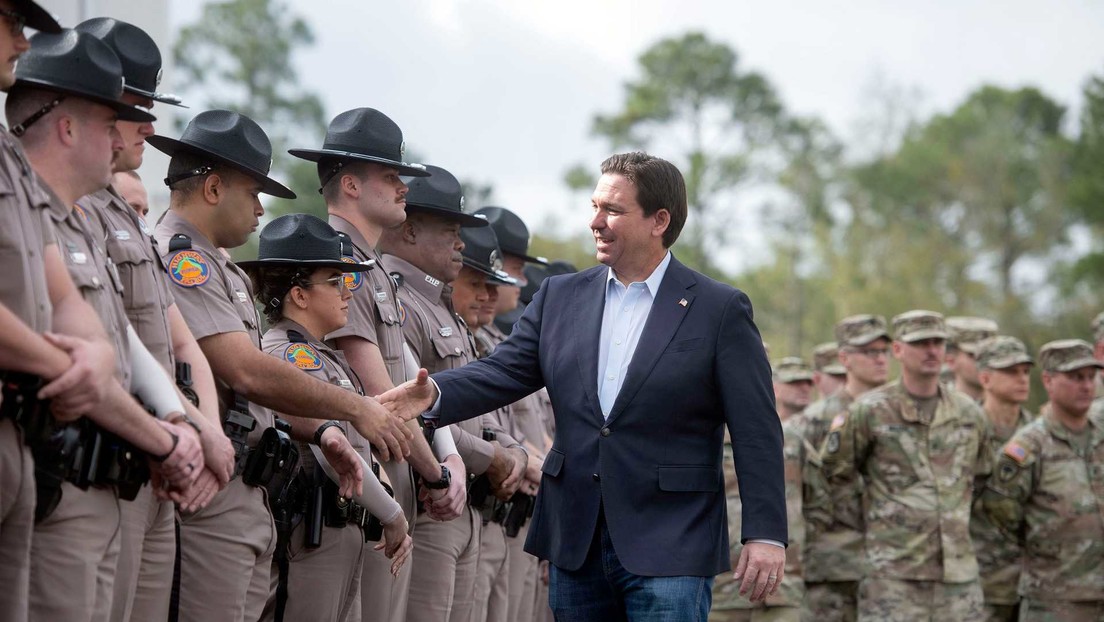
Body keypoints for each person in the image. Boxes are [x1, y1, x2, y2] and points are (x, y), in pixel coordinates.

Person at [381, 151, 786, 621]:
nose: (595, 221)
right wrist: (434, 394)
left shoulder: (718, 309)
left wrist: (765, 534)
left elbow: (756, 430)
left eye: (612, 210)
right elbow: (503, 371)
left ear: (659, 221)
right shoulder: (561, 296)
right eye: (595, 207)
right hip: (577, 537)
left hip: (672, 540)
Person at [149, 109, 410, 621]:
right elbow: (245, 371)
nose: (259, 210)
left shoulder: (219, 267)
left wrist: (324, 430)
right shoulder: (183, 260)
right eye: (253, 193)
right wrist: (354, 408)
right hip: (212, 482)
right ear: (214, 188)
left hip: (251, 484)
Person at [8, 28, 208, 621]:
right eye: (114, 117)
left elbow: (105, 330)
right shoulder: (40, 191)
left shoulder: (59, 206)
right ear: (69, 126)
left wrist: (178, 421)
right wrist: (167, 437)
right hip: (61, 458)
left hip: (95, 466)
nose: (131, 132)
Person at [74, 18, 236, 621]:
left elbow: (181, 342)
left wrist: (207, 431)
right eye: (137, 107)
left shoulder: (126, 217)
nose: (149, 125)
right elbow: (109, 334)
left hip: (160, 464)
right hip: (108, 453)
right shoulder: (73, 203)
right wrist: (188, 428)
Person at [288, 107, 466, 622]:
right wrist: (437, 475)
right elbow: (380, 396)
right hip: (365, 478)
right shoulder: (340, 267)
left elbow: (413, 384)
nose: (403, 187)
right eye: (390, 176)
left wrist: (445, 460)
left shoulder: (371, 270)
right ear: (350, 185)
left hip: (391, 474)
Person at [239, 213, 412, 621]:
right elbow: (333, 458)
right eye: (335, 281)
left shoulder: (322, 356)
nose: (347, 291)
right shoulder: (289, 354)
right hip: (312, 533)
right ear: (299, 295)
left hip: (342, 529)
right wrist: (392, 514)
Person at [378, 164, 527, 622]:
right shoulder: (398, 301)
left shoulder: (442, 307)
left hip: (465, 505)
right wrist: (492, 457)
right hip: (431, 500)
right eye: (450, 231)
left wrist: (512, 452)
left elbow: (475, 410)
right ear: (410, 231)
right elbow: (410, 409)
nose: (461, 244)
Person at [820, 310, 991, 621]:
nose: (931, 351)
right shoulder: (870, 411)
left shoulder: (969, 413)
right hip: (893, 576)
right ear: (898, 350)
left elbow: (981, 479)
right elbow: (833, 477)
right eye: (921, 343)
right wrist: (877, 521)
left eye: (938, 342)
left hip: (959, 577)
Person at [980, 339, 1104, 621]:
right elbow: (1001, 512)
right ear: (1048, 381)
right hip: (1054, 598)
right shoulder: (1028, 448)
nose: (1087, 386)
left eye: (1091, 376)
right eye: (1075, 377)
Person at [475, 205, 552, 622]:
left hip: (512, 514)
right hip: (476, 505)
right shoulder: (492, 341)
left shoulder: (496, 340)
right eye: (516, 269)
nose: (518, 284)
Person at [800, 314, 889, 622]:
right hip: (835, 566)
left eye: (883, 351)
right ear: (845, 358)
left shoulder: (899, 411)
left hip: (896, 563)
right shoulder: (814, 420)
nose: (880, 359)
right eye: (870, 352)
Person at [455, 222, 522, 622]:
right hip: (451, 503)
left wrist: (515, 453)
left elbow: (493, 424)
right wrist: (500, 456)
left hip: (495, 510)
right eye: (477, 283)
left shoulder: (486, 342)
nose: (489, 295)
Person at [712, 358, 813, 621]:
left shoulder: (791, 438)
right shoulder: (704, 437)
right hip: (722, 586)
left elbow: (817, 500)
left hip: (784, 586)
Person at [969, 336, 1035, 621]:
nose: (1022, 379)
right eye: (1010, 371)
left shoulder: (1039, 435)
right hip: (982, 579)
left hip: (1034, 581)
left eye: (1025, 371)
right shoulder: (964, 431)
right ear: (985, 378)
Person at [944, 316, 998, 402]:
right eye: (974, 356)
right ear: (951, 361)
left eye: (991, 354)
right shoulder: (937, 405)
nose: (985, 362)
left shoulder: (1006, 404)